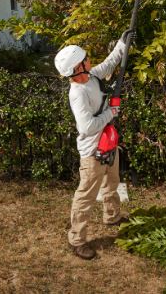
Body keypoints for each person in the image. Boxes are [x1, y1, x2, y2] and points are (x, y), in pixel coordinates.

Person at [54, 31, 133, 260]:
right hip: (92, 152)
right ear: (77, 68)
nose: (89, 60)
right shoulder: (77, 93)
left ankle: (112, 216)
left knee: (112, 182)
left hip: (108, 141)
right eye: (85, 58)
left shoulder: (93, 77)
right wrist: (112, 112)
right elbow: (87, 127)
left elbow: (109, 63)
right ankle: (77, 239)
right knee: (86, 196)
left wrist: (122, 42)